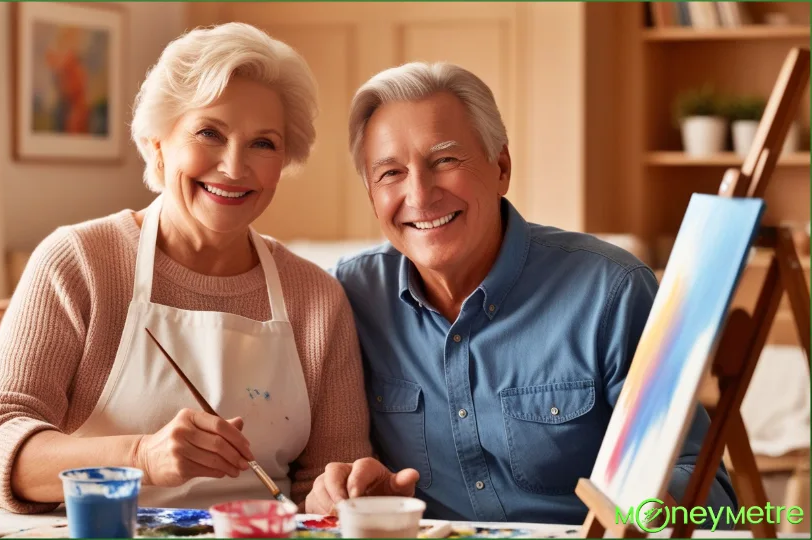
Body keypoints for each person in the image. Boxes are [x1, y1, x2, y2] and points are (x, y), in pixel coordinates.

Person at [0, 23, 372, 514]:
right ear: (157, 144)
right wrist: (141, 457)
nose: (235, 167)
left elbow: (326, 484)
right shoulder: (78, 262)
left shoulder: (316, 298)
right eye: (208, 133)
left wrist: (340, 493)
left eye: (263, 143)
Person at [305, 62, 738, 525]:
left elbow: (710, 492)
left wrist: (643, 512)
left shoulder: (612, 290)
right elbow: (319, 477)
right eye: (390, 173)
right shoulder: (349, 297)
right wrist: (342, 497)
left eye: (445, 161)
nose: (420, 194)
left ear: (502, 168)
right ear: (371, 193)